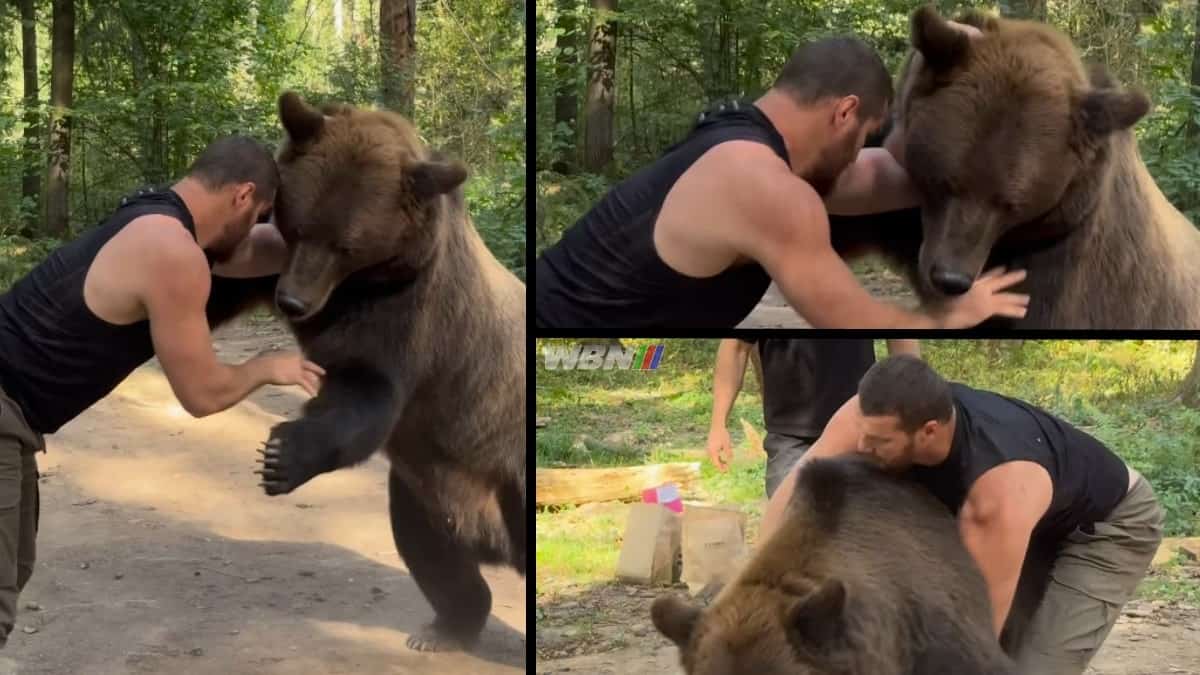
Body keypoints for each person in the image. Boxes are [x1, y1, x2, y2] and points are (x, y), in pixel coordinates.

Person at [0, 135, 322, 653]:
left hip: (13, 418)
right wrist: (267, 367)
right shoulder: (174, 254)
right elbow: (202, 394)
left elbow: (252, 255)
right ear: (243, 197)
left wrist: (342, 244)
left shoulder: (153, 215)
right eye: (262, 213)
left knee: (14, 568)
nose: (260, 227)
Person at [535, 27, 1028, 330]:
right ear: (845, 112)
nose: (862, 152)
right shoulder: (765, 188)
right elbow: (850, 318)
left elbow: (899, 173)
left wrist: (948, 72)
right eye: (866, 135)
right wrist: (951, 317)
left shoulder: (740, 133)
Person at [760, 355, 1164, 675]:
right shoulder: (870, 415)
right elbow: (796, 494)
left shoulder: (995, 494)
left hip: (1108, 528)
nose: (860, 446)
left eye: (879, 441)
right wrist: (758, 592)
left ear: (929, 431)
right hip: (1035, 516)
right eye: (861, 432)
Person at [705, 338, 919, 496]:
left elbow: (901, 339)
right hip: (789, 440)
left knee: (859, 532)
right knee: (787, 530)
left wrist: (912, 411)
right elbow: (735, 347)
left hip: (859, 435)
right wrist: (718, 425)